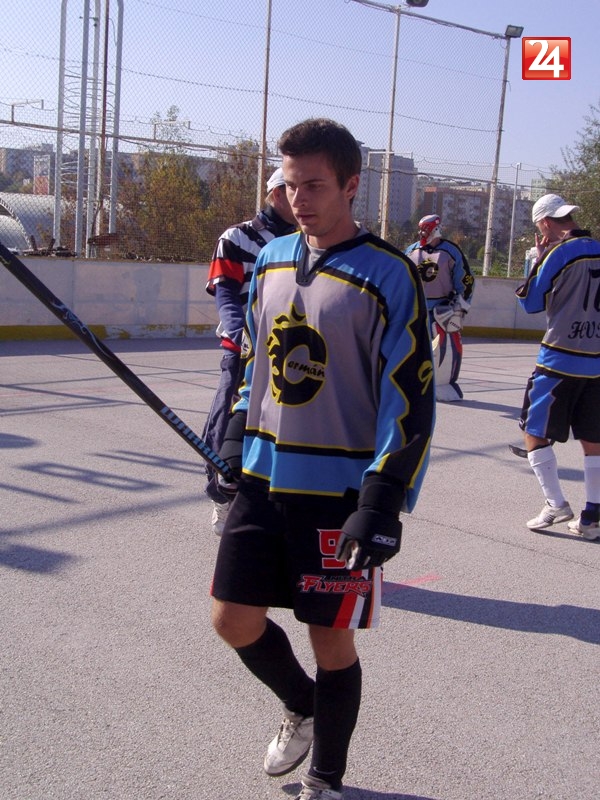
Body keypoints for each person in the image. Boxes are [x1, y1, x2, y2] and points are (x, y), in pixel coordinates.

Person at [210, 118, 435, 800]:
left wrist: (382, 500)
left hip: (338, 494)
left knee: (330, 643)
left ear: (350, 185)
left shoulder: (390, 273)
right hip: (263, 478)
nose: (298, 198)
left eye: (314, 185)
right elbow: (256, 361)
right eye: (288, 184)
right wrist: (235, 432)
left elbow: (410, 400)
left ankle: (327, 779)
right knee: (232, 619)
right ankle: (304, 707)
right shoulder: (272, 258)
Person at [202, 167, 296, 534]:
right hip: (243, 349)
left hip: (289, 352)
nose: (302, 197)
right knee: (227, 421)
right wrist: (241, 333)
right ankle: (220, 495)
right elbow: (225, 293)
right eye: (293, 188)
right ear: (276, 194)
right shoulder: (236, 237)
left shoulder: (309, 239)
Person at [516, 193, 600, 540]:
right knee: (593, 438)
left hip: (559, 358)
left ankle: (555, 503)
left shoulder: (558, 253)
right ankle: (592, 516)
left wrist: (536, 260)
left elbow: (530, 303)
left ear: (546, 223)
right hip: (596, 362)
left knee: (533, 431)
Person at [405, 215, 475, 402]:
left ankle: (444, 383)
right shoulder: (411, 251)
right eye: (421, 229)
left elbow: (466, 281)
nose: (422, 233)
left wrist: (460, 309)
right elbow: (401, 280)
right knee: (412, 349)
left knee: (447, 349)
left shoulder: (451, 251)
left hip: (442, 311)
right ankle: (414, 384)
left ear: (435, 229)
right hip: (415, 310)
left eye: (426, 229)